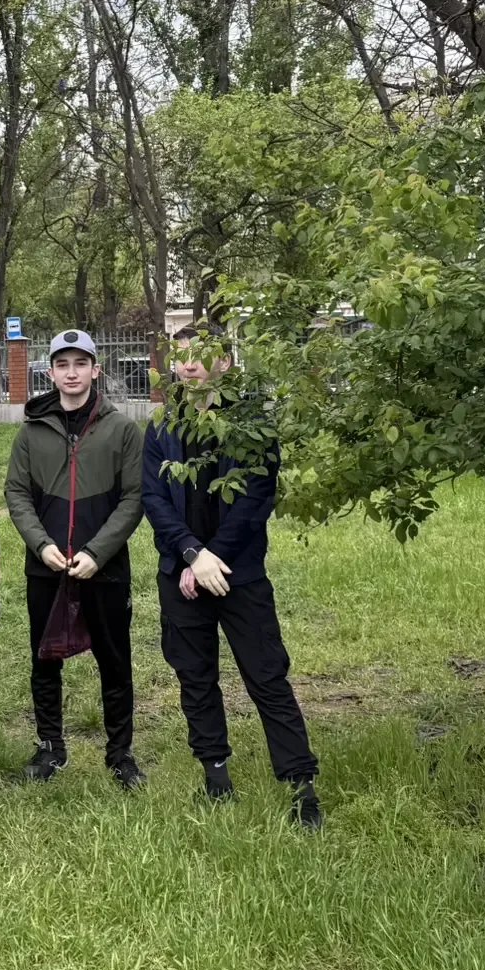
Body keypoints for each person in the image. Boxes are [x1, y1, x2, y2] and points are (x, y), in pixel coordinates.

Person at [144, 327, 322, 827]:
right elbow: (154, 499)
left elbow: (254, 501)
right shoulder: (162, 425)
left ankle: (301, 785)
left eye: (201, 355)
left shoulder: (250, 424)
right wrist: (188, 555)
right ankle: (216, 777)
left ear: (224, 362)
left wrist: (210, 559)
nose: (189, 364)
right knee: (195, 677)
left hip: (237, 575)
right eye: (180, 356)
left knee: (266, 675)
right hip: (179, 573)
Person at [4, 328, 148, 789]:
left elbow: (134, 498)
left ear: (95, 370)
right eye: (62, 365)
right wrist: (40, 544)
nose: (72, 373)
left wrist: (97, 552)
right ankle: (50, 746)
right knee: (44, 659)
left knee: (114, 660)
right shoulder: (32, 432)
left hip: (104, 568)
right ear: (50, 372)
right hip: (46, 566)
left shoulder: (122, 429)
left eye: (80, 363)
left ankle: (120, 753)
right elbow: (16, 493)